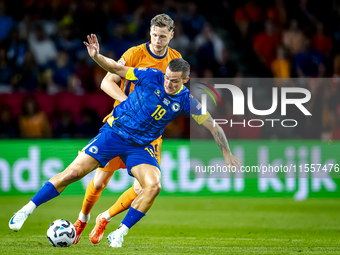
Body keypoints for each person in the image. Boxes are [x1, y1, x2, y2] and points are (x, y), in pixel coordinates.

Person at [9, 34, 242, 249]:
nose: (168, 84)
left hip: (141, 147)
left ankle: (119, 232)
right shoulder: (152, 76)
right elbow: (116, 68)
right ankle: (26, 210)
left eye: (174, 81)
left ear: (186, 80)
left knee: (154, 186)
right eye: (168, 78)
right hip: (115, 133)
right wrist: (97, 57)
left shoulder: (186, 101)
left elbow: (213, 125)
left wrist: (226, 153)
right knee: (73, 174)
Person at [73, 14, 182, 244]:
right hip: (122, 127)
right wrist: (128, 104)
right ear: (149, 33)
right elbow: (106, 82)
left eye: (163, 36)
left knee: (145, 187)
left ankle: (105, 217)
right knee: (100, 182)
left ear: (171, 35)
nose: (157, 40)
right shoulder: (134, 54)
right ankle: (82, 219)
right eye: (154, 35)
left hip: (149, 136)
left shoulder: (175, 60)